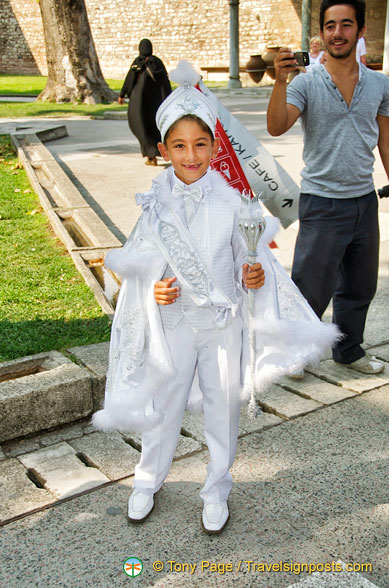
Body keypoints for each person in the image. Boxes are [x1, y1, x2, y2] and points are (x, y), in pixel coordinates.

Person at [93, 62, 339, 534]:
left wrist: (253, 278)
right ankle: (147, 479)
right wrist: (153, 289)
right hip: (172, 325)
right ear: (164, 149)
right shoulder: (153, 206)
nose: (191, 155)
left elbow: (252, 266)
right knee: (163, 404)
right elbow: (134, 270)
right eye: (180, 146)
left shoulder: (233, 202)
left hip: (222, 323)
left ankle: (216, 487)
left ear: (214, 147)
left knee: (222, 408)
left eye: (201, 144)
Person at [267, 0, 389, 378]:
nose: (338, 32)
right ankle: (296, 351)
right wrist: (279, 81)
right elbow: (276, 126)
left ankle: (348, 350)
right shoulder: (305, 82)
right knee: (310, 285)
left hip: (363, 201)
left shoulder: (380, 84)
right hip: (322, 202)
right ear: (321, 33)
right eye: (331, 26)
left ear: (360, 31)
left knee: (359, 284)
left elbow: (386, 139)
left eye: (346, 24)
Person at [118, 39, 171, 166]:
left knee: (141, 127)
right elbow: (165, 82)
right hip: (155, 104)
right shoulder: (157, 63)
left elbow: (129, 80)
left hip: (139, 104)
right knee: (154, 127)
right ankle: (156, 153)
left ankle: (151, 156)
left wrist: (122, 95)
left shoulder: (138, 63)